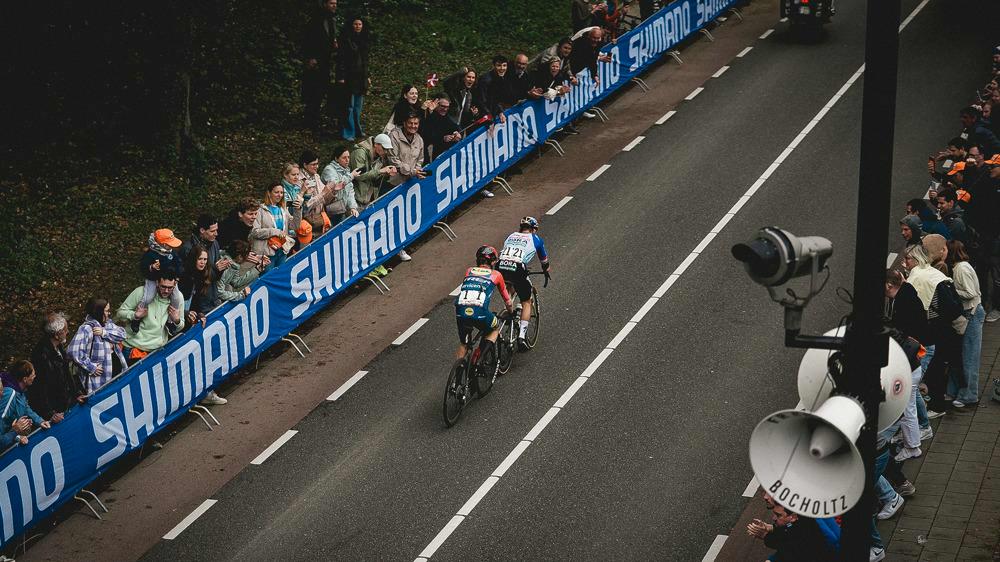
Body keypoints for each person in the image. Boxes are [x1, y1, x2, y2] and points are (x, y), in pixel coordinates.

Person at [908, 243, 963, 416]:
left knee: (936, 367)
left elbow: (948, 306)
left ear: (916, 259)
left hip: (937, 330)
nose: (904, 262)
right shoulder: (933, 274)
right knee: (937, 366)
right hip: (939, 328)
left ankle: (937, 406)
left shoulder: (921, 277)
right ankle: (935, 400)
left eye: (907, 259)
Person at [455, 246, 514, 372]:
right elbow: (507, 301)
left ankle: (457, 378)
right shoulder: (496, 275)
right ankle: (480, 358)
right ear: (493, 262)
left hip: (460, 311)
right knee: (494, 329)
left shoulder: (469, 270)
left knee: (464, 344)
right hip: (480, 312)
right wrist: (511, 313)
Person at [497, 217, 551, 350]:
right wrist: (546, 270)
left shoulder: (511, 235)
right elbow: (544, 261)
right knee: (527, 301)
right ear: (533, 229)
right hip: (517, 267)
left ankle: (508, 311)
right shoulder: (536, 239)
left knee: (510, 287)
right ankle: (521, 336)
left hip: (501, 266)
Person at [116, 273, 185, 365]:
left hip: (157, 352)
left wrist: (177, 321)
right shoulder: (141, 292)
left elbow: (181, 325)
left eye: (170, 288)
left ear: (175, 285)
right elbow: (120, 313)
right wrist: (135, 315)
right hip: (134, 349)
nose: (166, 290)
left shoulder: (178, 297)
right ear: (157, 283)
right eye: (163, 287)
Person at [947, 240, 984, 407]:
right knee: (965, 354)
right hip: (972, 312)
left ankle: (969, 395)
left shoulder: (961, 269)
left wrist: (952, 288)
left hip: (972, 313)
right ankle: (961, 391)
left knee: (969, 356)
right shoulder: (963, 266)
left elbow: (970, 292)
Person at [28, 312, 85, 422]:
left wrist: (76, 394)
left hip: (65, 402)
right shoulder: (41, 356)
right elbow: (39, 387)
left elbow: (66, 373)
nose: (68, 332)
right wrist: (50, 413)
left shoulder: (58, 347)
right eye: (65, 330)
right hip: (56, 409)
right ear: (56, 335)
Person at [69, 298, 128, 393]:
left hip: (117, 375)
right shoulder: (86, 328)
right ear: (99, 311)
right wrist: (91, 367)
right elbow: (73, 352)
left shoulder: (107, 324)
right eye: (107, 311)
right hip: (99, 382)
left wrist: (104, 333)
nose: (109, 313)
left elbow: (122, 335)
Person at [302, 0, 341, 133]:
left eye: (335, 3)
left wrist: (334, 42)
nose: (334, 5)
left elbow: (330, 37)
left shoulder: (332, 20)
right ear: (325, 4)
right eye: (331, 3)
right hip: (317, 62)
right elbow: (308, 39)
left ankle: (316, 119)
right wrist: (311, 57)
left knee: (323, 91)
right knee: (314, 91)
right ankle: (310, 121)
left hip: (327, 62)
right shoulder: (316, 19)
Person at [137, 229, 186, 331]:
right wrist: (151, 267)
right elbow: (143, 267)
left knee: (177, 298)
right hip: (153, 278)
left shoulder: (171, 253)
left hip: (170, 278)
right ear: (163, 244)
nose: (172, 246)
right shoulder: (151, 254)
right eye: (169, 244)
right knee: (148, 297)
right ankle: (138, 317)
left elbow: (179, 266)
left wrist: (177, 277)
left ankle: (170, 321)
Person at [0, 361, 56, 446]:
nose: (35, 376)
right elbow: (2, 423)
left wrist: (40, 421)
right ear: (25, 379)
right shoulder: (10, 393)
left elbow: (26, 408)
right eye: (32, 375)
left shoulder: (21, 392)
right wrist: (15, 433)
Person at [179, 214, 227, 307]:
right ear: (202, 230)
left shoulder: (215, 243)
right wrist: (216, 269)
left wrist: (221, 269)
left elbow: (215, 274)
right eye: (212, 231)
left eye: (216, 230)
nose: (216, 234)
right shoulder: (188, 249)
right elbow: (192, 278)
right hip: (196, 302)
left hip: (212, 297)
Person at [336, 16, 371, 141]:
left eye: (360, 24)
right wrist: (341, 76)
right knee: (348, 106)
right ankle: (348, 132)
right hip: (349, 78)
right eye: (355, 24)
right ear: (352, 25)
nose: (358, 26)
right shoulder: (346, 39)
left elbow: (365, 61)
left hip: (360, 78)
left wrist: (367, 76)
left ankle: (357, 130)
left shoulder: (364, 39)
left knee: (357, 107)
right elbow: (341, 59)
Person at [252, 182, 299, 272]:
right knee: (268, 279)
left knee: (280, 277)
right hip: (266, 252)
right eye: (276, 192)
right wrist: (274, 231)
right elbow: (255, 232)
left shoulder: (283, 209)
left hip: (282, 249)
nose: (279, 195)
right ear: (269, 193)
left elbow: (295, 226)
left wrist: (298, 210)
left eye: (281, 193)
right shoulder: (260, 210)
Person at [349, 133, 399, 208]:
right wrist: (380, 171)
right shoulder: (360, 153)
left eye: (387, 149)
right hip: (355, 200)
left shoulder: (379, 157)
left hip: (368, 199)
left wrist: (385, 174)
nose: (386, 152)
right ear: (376, 144)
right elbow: (359, 176)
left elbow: (374, 179)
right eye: (384, 148)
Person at [319, 144, 361, 225]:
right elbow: (337, 185)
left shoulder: (346, 171)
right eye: (344, 158)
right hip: (330, 211)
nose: (347, 160)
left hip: (341, 210)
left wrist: (353, 207)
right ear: (336, 159)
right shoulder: (329, 170)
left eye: (348, 157)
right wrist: (351, 176)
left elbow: (350, 191)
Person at [180, 244, 216, 325]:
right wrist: (185, 313)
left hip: (189, 314)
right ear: (193, 259)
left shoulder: (202, 275)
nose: (203, 262)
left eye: (205, 259)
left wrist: (200, 313)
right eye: (200, 259)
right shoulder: (182, 274)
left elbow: (197, 299)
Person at [388, 113, 427, 187]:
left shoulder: (419, 139)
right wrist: (413, 172)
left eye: (416, 123)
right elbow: (393, 159)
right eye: (410, 123)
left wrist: (417, 171)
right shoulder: (394, 136)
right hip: (394, 183)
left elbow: (420, 159)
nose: (413, 126)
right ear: (404, 123)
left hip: (411, 182)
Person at [420, 95, 463, 161]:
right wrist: (443, 138)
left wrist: (457, 133)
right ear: (436, 104)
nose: (445, 109)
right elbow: (427, 134)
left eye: (447, 107)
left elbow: (455, 126)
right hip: (424, 151)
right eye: (443, 106)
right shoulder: (427, 114)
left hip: (444, 153)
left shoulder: (446, 116)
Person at [478, 55, 515, 124]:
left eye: (504, 66)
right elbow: (481, 101)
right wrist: (490, 117)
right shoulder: (485, 80)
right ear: (493, 66)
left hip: (492, 113)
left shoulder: (501, 78)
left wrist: (500, 112)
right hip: (482, 116)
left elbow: (496, 99)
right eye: (499, 65)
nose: (502, 68)